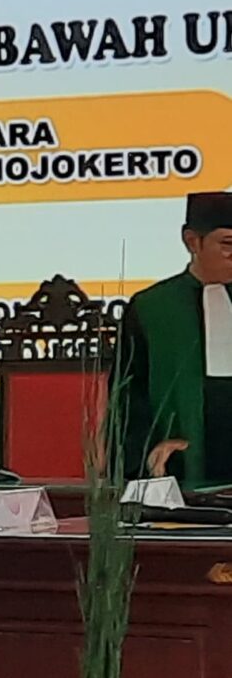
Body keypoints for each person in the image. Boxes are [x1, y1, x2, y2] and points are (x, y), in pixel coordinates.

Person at [121, 191, 232, 490]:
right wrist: (148, 451)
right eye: (228, 245)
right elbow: (130, 397)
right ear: (192, 242)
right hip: (182, 467)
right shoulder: (151, 308)